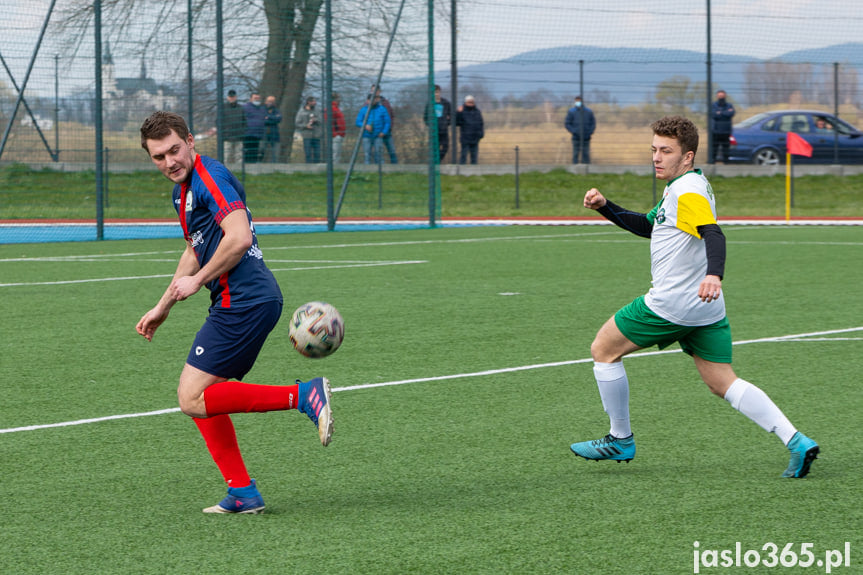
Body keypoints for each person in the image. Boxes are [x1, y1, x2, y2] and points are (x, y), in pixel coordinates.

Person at [569, 115, 819, 479]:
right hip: (705, 308)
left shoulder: (687, 192)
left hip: (672, 303)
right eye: (654, 149)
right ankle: (796, 440)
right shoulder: (686, 184)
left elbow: (713, 234)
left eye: (666, 151)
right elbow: (647, 226)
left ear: (687, 156)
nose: (656, 157)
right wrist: (606, 206)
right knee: (723, 382)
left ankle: (620, 438)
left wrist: (714, 274)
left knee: (603, 350)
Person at [136, 111, 334, 514]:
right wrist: (164, 305)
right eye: (159, 157)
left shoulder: (210, 178)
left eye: (174, 150)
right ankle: (243, 492)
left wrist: (198, 281)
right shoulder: (183, 191)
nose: (169, 161)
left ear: (191, 141)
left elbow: (239, 237)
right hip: (238, 301)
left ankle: (304, 395)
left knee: (192, 398)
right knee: (200, 397)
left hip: (245, 301)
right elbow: (195, 248)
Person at [355, 92, 391, 165]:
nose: (373, 101)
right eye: (371, 99)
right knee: (367, 154)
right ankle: (367, 170)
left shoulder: (382, 109)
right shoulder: (363, 110)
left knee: (379, 154)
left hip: (378, 135)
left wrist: (384, 132)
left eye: (375, 99)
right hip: (366, 135)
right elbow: (358, 122)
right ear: (367, 101)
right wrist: (365, 125)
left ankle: (380, 170)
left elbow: (387, 122)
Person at [564, 95, 596, 164]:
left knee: (586, 154)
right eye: (577, 101)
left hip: (586, 137)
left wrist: (589, 132)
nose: (578, 102)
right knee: (575, 154)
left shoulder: (588, 112)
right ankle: (575, 170)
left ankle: (587, 169)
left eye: (579, 101)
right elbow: (567, 123)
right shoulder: (571, 112)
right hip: (576, 137)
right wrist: (573, 131)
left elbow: (593, 123)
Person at [424, 84, 452, 162]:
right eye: (434, 92)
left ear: (440, 92)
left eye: (437, 92)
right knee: (434, 148)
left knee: (445, 147)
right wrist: (430, 125)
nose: (436, 94)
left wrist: (446, 123)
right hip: (434, 131)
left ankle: (438, 161)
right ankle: (434, 163)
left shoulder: (446, 103)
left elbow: (451, 115)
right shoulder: (429, 104)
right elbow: (425, 117)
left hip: (443, 130)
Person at [372, 85, 398, 164]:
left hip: (387, 131)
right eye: (373, 90)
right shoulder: (368, 103)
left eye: (376, 90)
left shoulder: (385, 102)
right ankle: (379, 169)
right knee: (378, 152)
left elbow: (391, 115)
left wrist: (390, 126)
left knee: (392, 150)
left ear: (380, 91)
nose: (375, 92)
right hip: (376, 132)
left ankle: (395, 168)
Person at [456, 95, 484, 165]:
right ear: (465, 103)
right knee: (463, 156)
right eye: (469, 102)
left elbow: (481, 123)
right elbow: (457, 123)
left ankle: (473, 172)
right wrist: (459, 113)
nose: (471, 104)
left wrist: (481, 134)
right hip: (465, 138)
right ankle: (462, 171)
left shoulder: (477, 112)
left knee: (474, 157)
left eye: (472, 102)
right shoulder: (462, 111)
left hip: (475, 137)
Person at [295, 96, 322, 163]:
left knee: (317, 154)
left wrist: (315, 120)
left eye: (315, 101)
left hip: (316, 135)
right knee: (308, 153)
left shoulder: (317, 110)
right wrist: (305, 126)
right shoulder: (301, 111)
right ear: (308, 102)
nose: (315, 103)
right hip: (307, 135)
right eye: (313, 101)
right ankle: (308, 168)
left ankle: (317, 168)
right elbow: (297, 123)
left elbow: (321, 120)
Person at [222, 90, 245, 164]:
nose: (232, 98)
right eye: (230, 97)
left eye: (233, 97)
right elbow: (218, 122)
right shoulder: (223, 108)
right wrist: (224, 133)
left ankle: (238, 173)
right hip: (227, 137)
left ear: (236, 97)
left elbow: (244, 121)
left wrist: (242, 132)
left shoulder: (241, 108)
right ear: (228, 97)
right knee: (226, 157)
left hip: (239, 136)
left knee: (239, 157)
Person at [711, 90, 735, 163]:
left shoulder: (729, 105)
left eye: (722, 96)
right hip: (716, 131)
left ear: (725, 96)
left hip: (726, 131)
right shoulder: (713, 105)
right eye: (720, 96)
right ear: (717, 96)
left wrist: (720, 113)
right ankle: (712, 162)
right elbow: (714, 115)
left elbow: (731, 114)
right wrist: (725, 112)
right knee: (714, 148)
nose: (721, 97)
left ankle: (726, 163)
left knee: (726, 149)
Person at [242, 92, 266, 164]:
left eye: (258, 98)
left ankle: (253, 166)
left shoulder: (262, 108)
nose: (257, 100)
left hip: (258, 134)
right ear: (251, 99)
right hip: (248, 133)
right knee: (248, 151)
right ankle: (247, 165)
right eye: (255, 98)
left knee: (256, 151)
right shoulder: (245, 108)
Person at [263, 95, 282, 163]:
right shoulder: (262, 110)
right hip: (263, 134)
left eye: (272, 101)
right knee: (262, 150)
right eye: (269, 101)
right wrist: (273, 118)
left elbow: (279, 119)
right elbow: (262, 120)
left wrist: (268, 117)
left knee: (275, 152)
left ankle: (274, 166)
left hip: (275, 134)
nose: (270, 103)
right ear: (265, 102)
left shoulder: (277, 111)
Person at [330, 92, 346, 163]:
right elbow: (330, 123)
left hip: (339, 134)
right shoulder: (332, 109)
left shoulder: (337, 109)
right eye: (338, 99)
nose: (339, 101)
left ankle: (336, 168)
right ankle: (334, 169)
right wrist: (335, 134)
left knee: (338, 153)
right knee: (335, 153)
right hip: (336, 135)